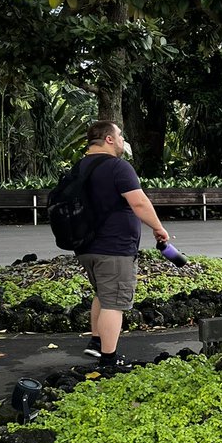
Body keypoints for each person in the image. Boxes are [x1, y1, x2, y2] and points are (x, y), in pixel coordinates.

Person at [76, 121, 170, 372]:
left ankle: (97, 341)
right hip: (113, 247)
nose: (121, 140)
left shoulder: (80, 167)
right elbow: (138, 203)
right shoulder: (118, 167)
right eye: (119, 136)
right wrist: (158, 228)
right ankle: (109, 360)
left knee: (103, 294)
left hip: (86, 246)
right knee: (114, 303)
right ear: (108, 139)